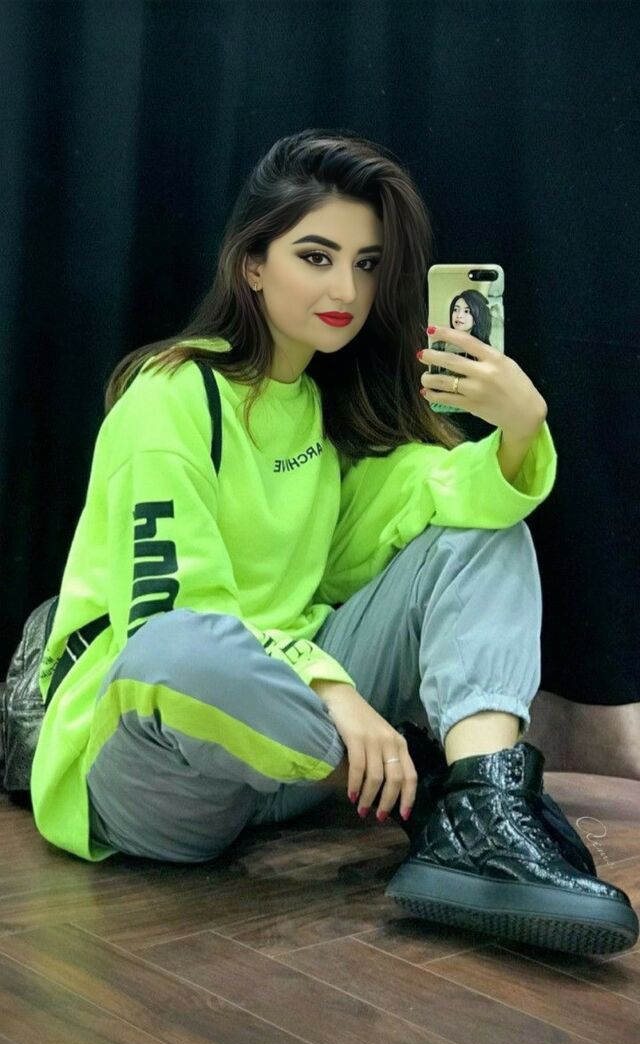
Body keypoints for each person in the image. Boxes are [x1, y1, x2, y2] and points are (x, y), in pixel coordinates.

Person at [31, 127, 638, 957]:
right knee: (179, 648)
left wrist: (522, 426)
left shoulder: (322, 411)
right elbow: (169, 619)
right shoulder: (168, 396)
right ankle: (413, 777)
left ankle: (482, 814)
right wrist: (334, 691)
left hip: (290, 765)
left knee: (484, 533)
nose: (346, 289)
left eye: (366, 263)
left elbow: (440, 497)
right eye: (316, 257)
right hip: (159, 772)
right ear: (252, 263)